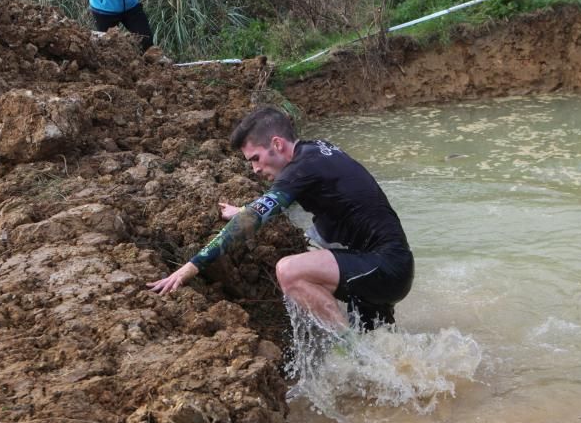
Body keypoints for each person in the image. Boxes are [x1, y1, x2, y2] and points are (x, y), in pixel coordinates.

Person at [147, 106, 414, 334]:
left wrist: (190, 267)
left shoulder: (301, 168)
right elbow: (286, 198)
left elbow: (256, 218)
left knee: (289, 271)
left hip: (384, 267)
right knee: (383, 360)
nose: (255, 169)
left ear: (277, 144)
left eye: (256, 158)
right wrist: (245, 209)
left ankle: (348, 350)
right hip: (389, 266)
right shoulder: (316, 151)